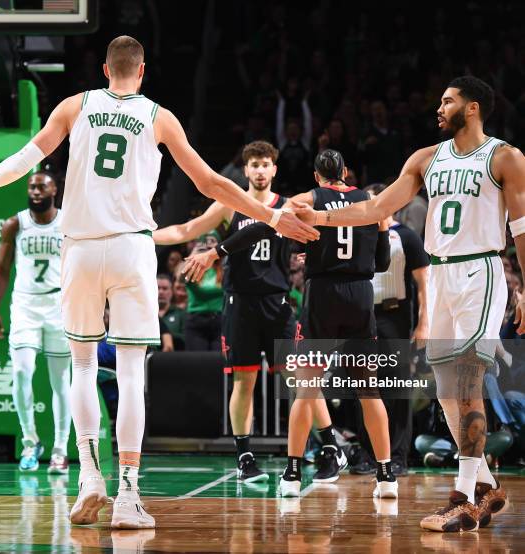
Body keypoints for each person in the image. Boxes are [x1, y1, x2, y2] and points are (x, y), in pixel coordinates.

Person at [0, 36, 317, 529]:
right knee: (129, 374)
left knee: (80, 366)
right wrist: (272, 217)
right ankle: (128, 495)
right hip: (131, 247)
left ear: (106, 69)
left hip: (80, 247)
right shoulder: (158, 117)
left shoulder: (74, 105)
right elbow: (212, 183)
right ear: (142, 71)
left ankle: (88, 477)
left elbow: (27, 157)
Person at [294, 76, 523, 532]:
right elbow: (374, 209)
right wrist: (317, 217)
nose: (438, 108)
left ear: (473, 108)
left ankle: (461, 500)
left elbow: (521, 230)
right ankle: (485, 488)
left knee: (465, 383)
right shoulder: (425, 158)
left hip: (480, 269)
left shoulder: (505, 156)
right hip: (441, 274)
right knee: (444, 392)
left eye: (448, 101)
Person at [184, 149, 393, 499]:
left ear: (316, 176)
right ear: (347, 173)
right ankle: (386, 478)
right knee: (369, 391)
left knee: (306, 387)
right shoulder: (369, 202)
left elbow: (263, 227)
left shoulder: (306, 199)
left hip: (323, 295)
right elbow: (383, 261)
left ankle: (293, 473)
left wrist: (215, 253)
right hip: (360, 296)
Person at [156, 140, 298, 483]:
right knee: (244, 382)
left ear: (274, 170)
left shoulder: (290, 206)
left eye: (266, 164)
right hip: (240, 303)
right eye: (255, 165)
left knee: (295, 380)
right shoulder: (227, 205)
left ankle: (316, 448)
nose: (261, 170)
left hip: (278, 302)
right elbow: (187, 231)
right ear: (245, 170)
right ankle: (245, 457)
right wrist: (144, 234)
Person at [0, 171, 72, 475]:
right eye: (32, 187)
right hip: (24, 304)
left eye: (42, 186)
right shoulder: (15, 224)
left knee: (61, 382)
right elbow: (1, 269)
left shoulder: (68, 223)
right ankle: (30, 442)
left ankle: (61, 449)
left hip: (58, 305)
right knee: (22, 373)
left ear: (54, 190)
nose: (36, 191)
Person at [351, 184, 430, 476]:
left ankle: (398, 456)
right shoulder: (358, 233)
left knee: (397, 389)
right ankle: (369, 454)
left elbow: (424, 284)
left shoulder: (406, 235)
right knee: (363, 387)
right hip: (361, 316)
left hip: (395, 317)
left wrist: (424, 323)